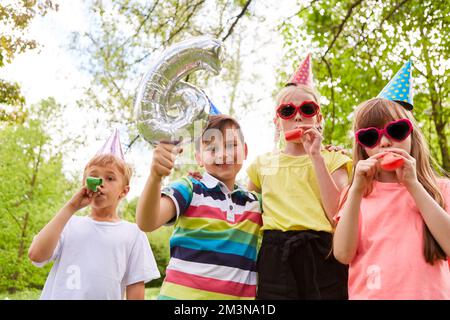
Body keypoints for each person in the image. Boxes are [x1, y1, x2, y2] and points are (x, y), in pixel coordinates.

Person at [333, 60, 450, 299]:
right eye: (370, 136)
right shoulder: (356, 194)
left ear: (412, 136)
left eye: (395, 131)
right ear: (362, 147)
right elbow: (343, 254)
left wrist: (413, 186)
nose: (385, 142)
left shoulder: (439, 189)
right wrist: (355, 191)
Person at [247, 54, 352, 299]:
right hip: (276, 255)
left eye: (307, 109)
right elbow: (245, 210)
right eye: (287, 110)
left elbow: (338, 214)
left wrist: (316, 156)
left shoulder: (334, 159)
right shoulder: (262, 164)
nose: (297, 116)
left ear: (319, 118)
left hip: (323, 251)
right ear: (276, 120)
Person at [136, 114, 263, 300]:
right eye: (212, 148)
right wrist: (155, 177)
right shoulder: (190, 188)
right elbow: (147, 222)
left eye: (231, 145)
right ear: (198, 158)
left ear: (244, 150)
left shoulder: (254, 203)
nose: (223, 154)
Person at [28, 129, 160, 299]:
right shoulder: (68, 224)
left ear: (124, 191)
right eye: (94, 176)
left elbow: (135, 291)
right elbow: (36, 255)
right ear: (85, 183)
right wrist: (71, 206)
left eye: (110, 178)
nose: (100, 183)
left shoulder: (134, 234)